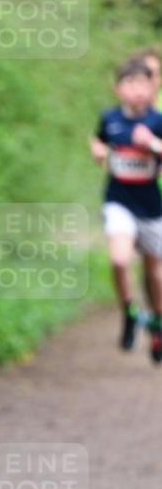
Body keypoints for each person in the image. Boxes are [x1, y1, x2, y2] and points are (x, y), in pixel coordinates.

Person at [89, 58, 162, 362]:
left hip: (151, 207)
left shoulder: (158, 122)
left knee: (155, 275)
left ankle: (157, 325)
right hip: (118, 201)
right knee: (119, 259)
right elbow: (98, 138)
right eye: (131, 84)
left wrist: (154, 145)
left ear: (153, 87)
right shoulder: (110, 119)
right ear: (118, 89)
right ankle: (130, 311)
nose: (138, 91)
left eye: (144, 84)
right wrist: (97, 149)